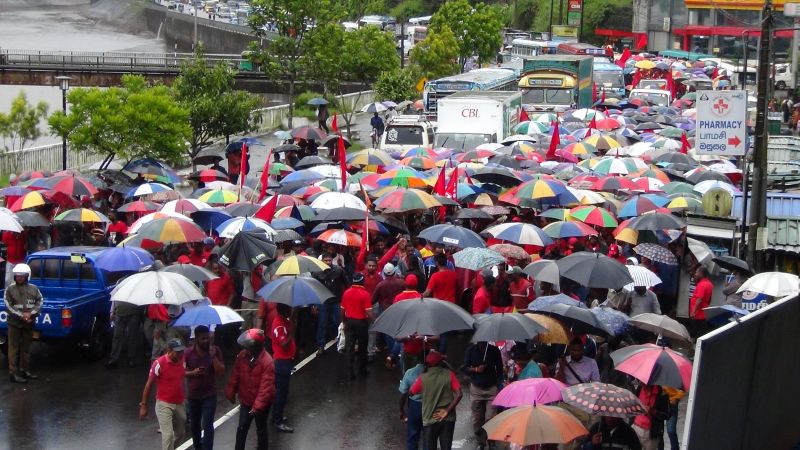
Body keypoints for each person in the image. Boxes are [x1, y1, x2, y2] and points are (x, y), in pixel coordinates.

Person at [226, 329, 276, 450]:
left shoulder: (267, 362)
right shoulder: (243, 356)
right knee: (242, 427)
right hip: (247, 401)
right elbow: (235, 375)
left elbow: (265, 388)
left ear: (256, 346)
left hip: (262, 404)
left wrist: (257, 407)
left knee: (261, 428)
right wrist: (231, 391)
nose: (247, 348)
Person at [139, 338, 187, 450]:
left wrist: (192, 373)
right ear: (169, 350)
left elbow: (181, 373)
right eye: (177, 352)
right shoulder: (159, 363)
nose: (180, 354)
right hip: (164, 403)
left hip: (179, 402)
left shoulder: (182, 360)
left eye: (181, 351)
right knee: (168, 435)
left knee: (181, 433)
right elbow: (148, 385)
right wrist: (143, 405)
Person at [409, 351, 463, 450]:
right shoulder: (449, 374)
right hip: (448, 418)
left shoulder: (423, 378)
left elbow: (411, 393)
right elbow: (459, 394)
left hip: (430, 419)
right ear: (440, 363)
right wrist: (446, 410)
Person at [185, 326, 225, 450]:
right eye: (203, 339)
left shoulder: (215, 351)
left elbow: (221, 372)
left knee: (207, 425)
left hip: (209, 395)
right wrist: (193, 373)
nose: (206, 341)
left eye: (208, 338)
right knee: (195, 426)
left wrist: (213, 357)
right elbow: (181, 372)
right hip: (193, 396)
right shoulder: (188, 353)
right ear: (196, 339)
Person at [4, 263, 42, 383]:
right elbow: (8, 306)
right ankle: (13, 373)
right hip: (14, 324)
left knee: (26, 348)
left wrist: (31, 314)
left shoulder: (34, 289)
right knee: (13, 349)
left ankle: (24, 370)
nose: (19, 277)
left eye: (22, 276)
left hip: (29, 323)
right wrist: (22, 316)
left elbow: (40, 301)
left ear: (27, 276)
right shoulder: (10, 289)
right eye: (17, 275)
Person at [461, 341, 504, 450]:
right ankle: (481, 442)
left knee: (491, 418)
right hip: (476, 389)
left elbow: (499, 370)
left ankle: (491, 442)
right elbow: (464, 368)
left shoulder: (494, 351)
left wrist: (499, 386)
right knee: (477, 419)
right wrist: (476, 369)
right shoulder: (470, 350)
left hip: (491, 388)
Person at [314, 252, 348, 356]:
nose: (328, 262)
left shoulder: (339, 270)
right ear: (322, 261)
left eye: (330, 260)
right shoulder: (317, 272)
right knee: (322, 324)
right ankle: (321, 346)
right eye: (326, 260)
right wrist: (314, 304)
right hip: (323, 301)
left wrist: (345, 300)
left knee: (339, 323)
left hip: (336, 301)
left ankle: (341, 344)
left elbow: (347, 284)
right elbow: (314, 289)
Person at [341, 273, 374, 378]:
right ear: (362, 281)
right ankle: (362, 369)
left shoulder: (346, 292)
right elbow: (368, 312)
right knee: (362, 347)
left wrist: (343, 321)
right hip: (361, 323)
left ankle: (350, 371)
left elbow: (342, 309)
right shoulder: (365, 294)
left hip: (349, 321)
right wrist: (374, 321)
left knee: (349, 346)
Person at [270, 304, 296, 433]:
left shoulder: (284, 321)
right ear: (284, 310)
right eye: (289, 308)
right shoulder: (279, 325)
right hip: (281, 362)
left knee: (280, 391)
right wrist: (291, 332)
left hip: (285, 361)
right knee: (282, 392)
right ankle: (277, 420)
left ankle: (276, 415)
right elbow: (284, 344)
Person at [107, 298, 144, 369]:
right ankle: (113, 359)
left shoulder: (136, 287)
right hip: (119, 314)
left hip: (134, 314)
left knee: (132, 337)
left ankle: (131, 358)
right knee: (117, 337)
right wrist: (112, 312)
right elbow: (114, 299)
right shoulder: (119, 287)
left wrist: (141, 314)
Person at [399, 361, 425, 450]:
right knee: (428, 438)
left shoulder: (410, 372)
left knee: (412, 436)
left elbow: (403, 393)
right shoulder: (433, 373)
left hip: (414, 406)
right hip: (430, 406)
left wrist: (401, 409)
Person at [632, 384, 668, 450]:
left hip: (651, 433)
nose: (639, 381)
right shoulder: (640, 388)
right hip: (636, 428)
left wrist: (653, 411)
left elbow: (666, 415)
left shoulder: (661, 393)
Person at [688, 266, 713, 337]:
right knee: (701, 331)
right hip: (703, 313)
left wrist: (693, 312)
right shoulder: (709, 283)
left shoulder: (702, 285)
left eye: (696, 272)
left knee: (695, 332)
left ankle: (695, 345)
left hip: (697, 314)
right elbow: (709, 299)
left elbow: (699, 299)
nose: (695, 274)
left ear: (701, 274)